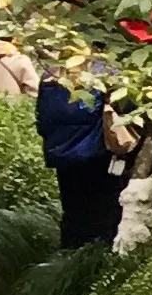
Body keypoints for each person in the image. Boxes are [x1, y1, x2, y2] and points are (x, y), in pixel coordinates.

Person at [35, 77, 126, 251]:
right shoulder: (104, 76)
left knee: (73, 209)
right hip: (97, 153)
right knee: (104, 208)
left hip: (62, 156)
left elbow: (41, 121)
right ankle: (101, 255)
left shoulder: (50, 78)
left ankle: (70, 254)